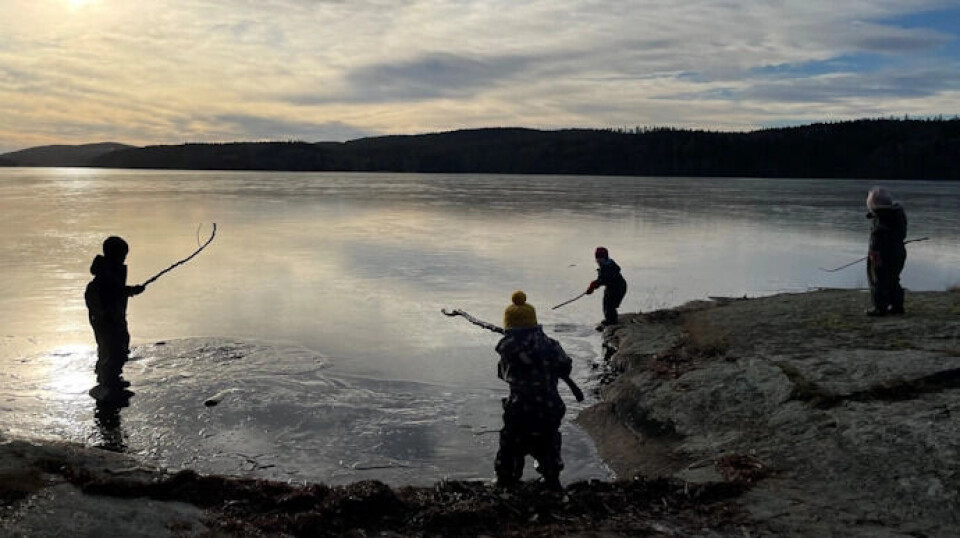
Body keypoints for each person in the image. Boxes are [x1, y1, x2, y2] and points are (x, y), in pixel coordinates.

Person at [494, 291, 572, 490]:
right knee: (549, 443)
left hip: (520, 409)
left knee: (510, 447)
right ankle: (552, 479)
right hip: (549, 406)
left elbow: (503, 375)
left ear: (509, 325)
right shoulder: (551, 344)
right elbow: (565, 366)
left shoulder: (508, 348)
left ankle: (507, 481)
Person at [85, 236, 145, 399]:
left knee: (112, 348)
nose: (124, 258)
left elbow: (116, 290)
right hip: (107, 319)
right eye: (123, 255)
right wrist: (130, 291)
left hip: (112, 318)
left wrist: (131, 290)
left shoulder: (109, 270)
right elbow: (111, 293)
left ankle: (110, 378)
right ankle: (108, 382)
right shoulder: (107, 273)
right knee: (114, 349)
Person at [865, 187, 908, 316]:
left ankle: (879, 307)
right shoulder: (897, 214)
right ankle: (897, 306)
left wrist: (874, 257)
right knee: (894, 278)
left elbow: (876, 242)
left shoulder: (880, 220)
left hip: (882, 255)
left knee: (878, 279)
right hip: (899, 252)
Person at [585, 246, 627, 328]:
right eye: (597, 258)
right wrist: (594, 286)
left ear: (605, 258)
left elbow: (604, 279)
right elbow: (602, 280)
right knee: (606, 302)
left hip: (618, 288)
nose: (597, 260)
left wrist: (593, 285)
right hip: (612, 287)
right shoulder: (605, 265)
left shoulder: (609, 267)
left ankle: (612, 322)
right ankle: (609, 319)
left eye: (600, 258)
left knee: (610, 305)